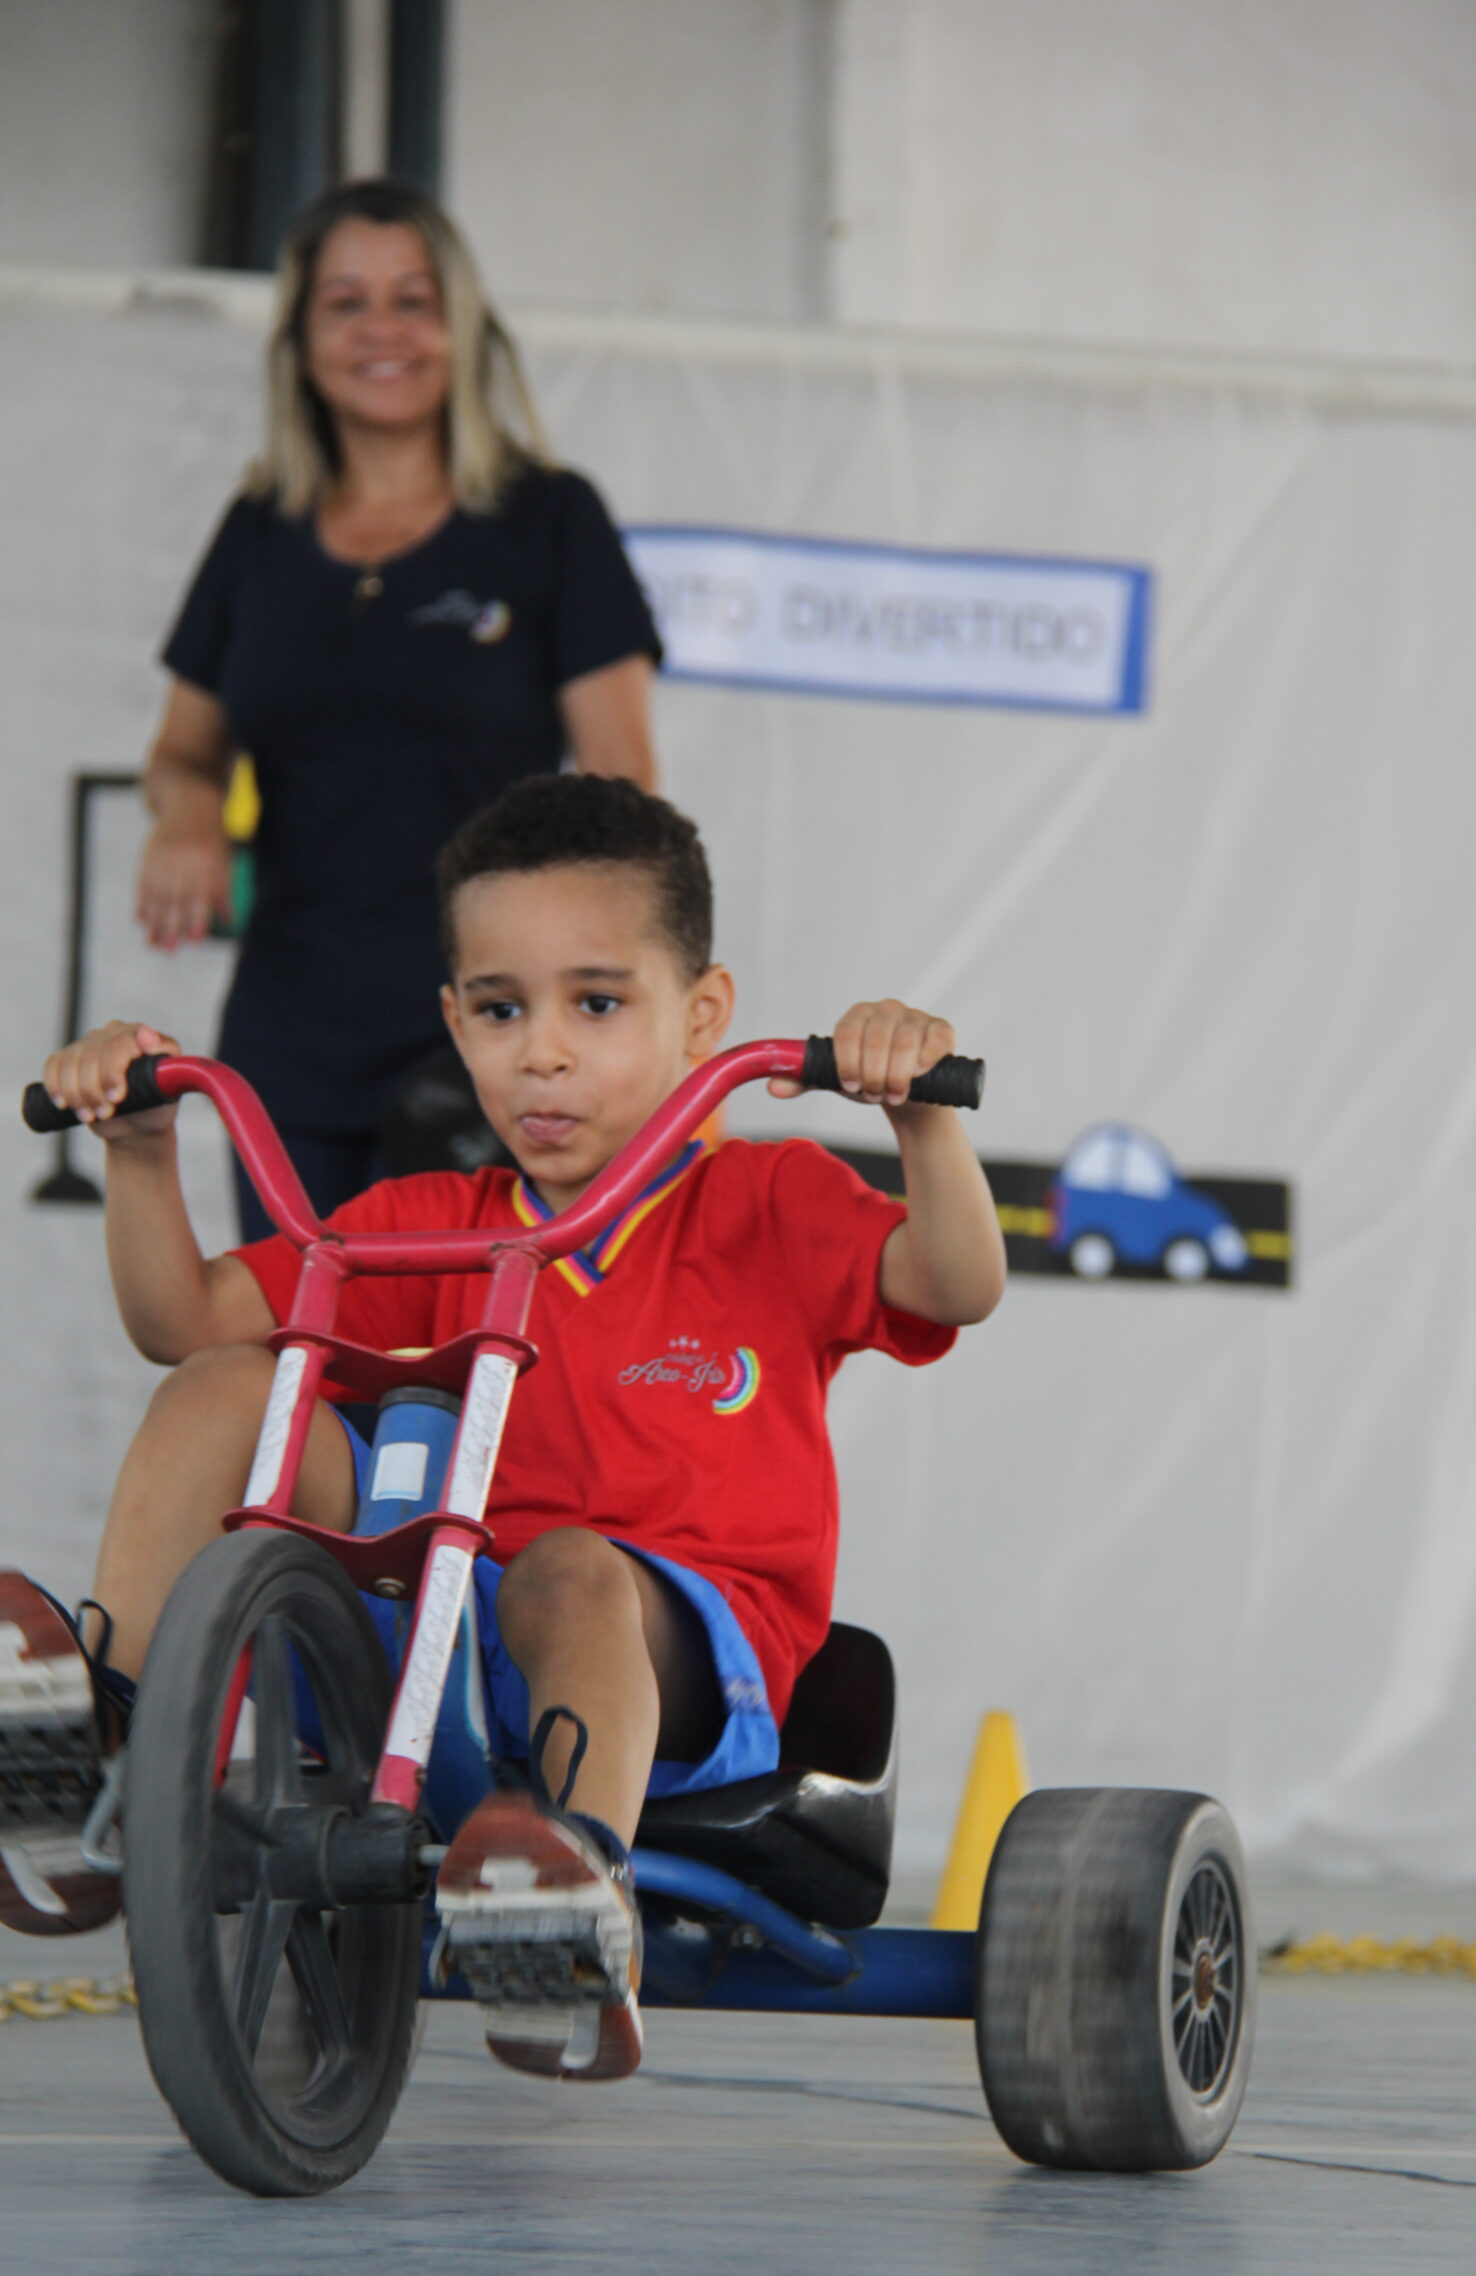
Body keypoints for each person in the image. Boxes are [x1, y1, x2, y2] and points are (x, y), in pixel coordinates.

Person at [39, 774, 1007, 2080]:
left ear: (702, 1016)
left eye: (595, 1004)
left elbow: (955, 1284)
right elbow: (181, 1320)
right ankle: (108, 1750)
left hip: (671, 1664)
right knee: (222, 1384)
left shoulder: (768, 1200)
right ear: (454, 1020)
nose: (541, 1052)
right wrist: (139, 1150)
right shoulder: (424, 1221)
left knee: (565, 1570)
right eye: (501, 1010)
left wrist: (919, 1116)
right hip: (432, 1641)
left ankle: (573, 1896)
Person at [139, 178, 661, 1240]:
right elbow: (182, 752)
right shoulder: (258, 532)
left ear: (460, 327)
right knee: (296, 1332)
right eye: (346, 303)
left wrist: (598, 1012)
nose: (382, 329)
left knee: (461, 1337)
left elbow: (623, 789)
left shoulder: (548, 519)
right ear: (302, 340)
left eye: (413, 300)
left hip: (489, 1029)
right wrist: (188, 814)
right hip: (292, 1027)